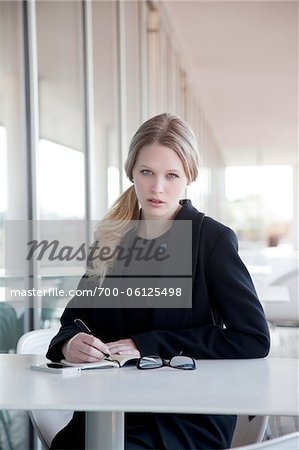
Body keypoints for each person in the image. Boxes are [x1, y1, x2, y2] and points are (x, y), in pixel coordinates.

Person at [47, 113, 270, 450]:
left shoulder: (212, 240)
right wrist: (70, 343)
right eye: (146, 172)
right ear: (131, 172)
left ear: (189, 177)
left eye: (171, 175)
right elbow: (75, 320)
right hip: (109, 407)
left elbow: (252, 338)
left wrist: (148, 344)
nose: (157, 188)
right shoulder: (111, 238)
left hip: (183, 416)